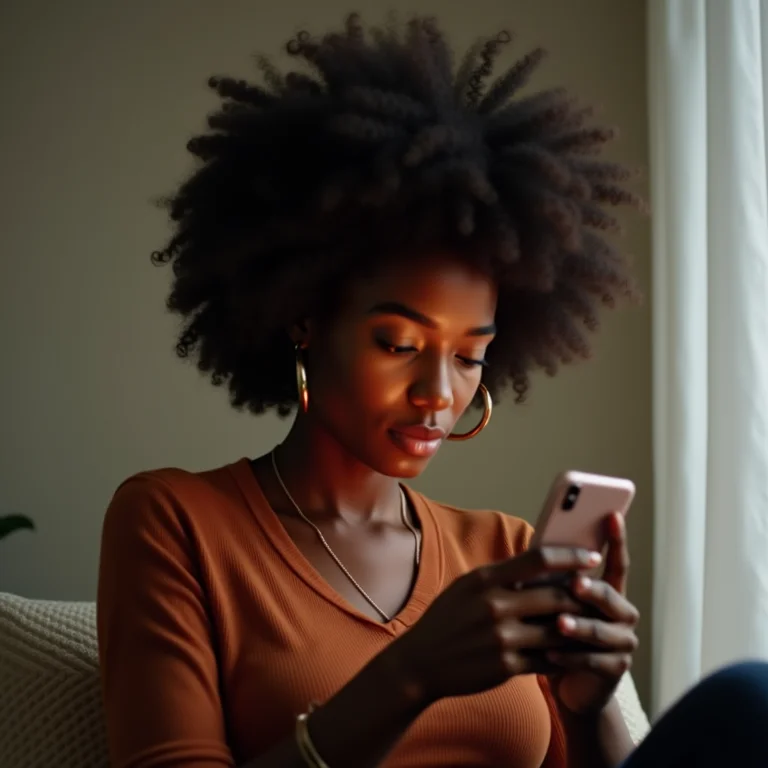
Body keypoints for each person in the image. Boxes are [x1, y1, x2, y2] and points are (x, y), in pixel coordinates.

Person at [96, 13, 768, 768]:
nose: (437, 392)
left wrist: (591, 705)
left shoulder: (505, 550)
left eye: (470, 356)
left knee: (751, 699)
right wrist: (413, 673)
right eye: (400, 344)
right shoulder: (176, 525)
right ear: (304, 321)